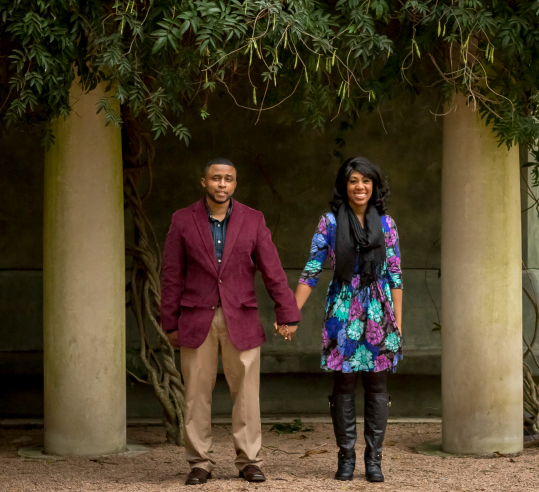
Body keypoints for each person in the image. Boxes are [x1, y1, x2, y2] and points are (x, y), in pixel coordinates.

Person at [160, 158, 302, 485]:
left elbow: (273, 270)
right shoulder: (182, 221)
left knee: (247, 396)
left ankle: (249, 460)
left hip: (243, 318)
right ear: (204, 182)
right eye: (215, 178)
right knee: (196, 394)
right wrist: (169, 323)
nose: (221, 184)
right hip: (196, 319)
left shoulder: (253, 220)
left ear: (234, 184)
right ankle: (199, 462)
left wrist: (287, 313)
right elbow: (171, 276)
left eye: (228, 179)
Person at [284, 156, 403, 483]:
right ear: (344, 186)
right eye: (353, 181)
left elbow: (395, 275)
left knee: (377, 384)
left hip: (379, 312)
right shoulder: (329, 223)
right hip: (342, 310)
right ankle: (346, 457)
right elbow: (311, 271)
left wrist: (399, 324)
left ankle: (374, 460)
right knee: (344, 384)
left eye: (366, 180)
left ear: (374, 185)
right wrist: (291, 312)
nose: (360, 186)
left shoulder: (388, 225)